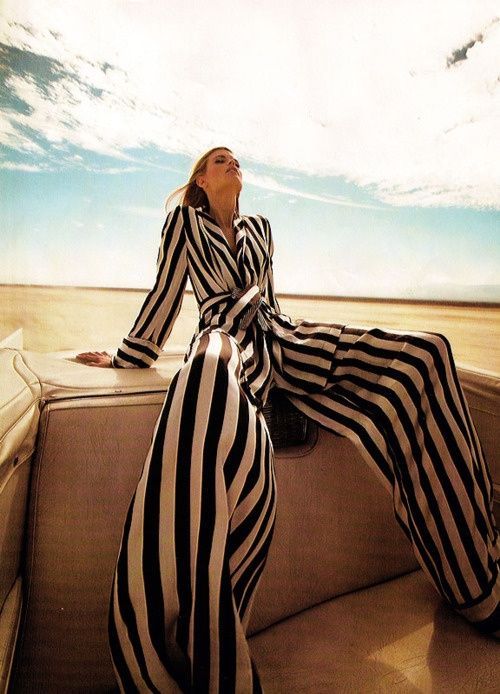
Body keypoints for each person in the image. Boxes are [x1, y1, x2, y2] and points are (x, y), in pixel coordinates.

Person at [77, 147, 499, 693]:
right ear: (200, 180)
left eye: (234, 161)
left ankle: (479, 587)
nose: (232, 164)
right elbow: (165, 292)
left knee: (428, 354)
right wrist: (128, 356)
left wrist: (291, 367)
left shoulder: (261, 229)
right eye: (219, 160)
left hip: (283, 337)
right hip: (225, 336)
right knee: (204, 368)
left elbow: (270, 302)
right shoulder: (183, 221)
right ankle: (185, 663)